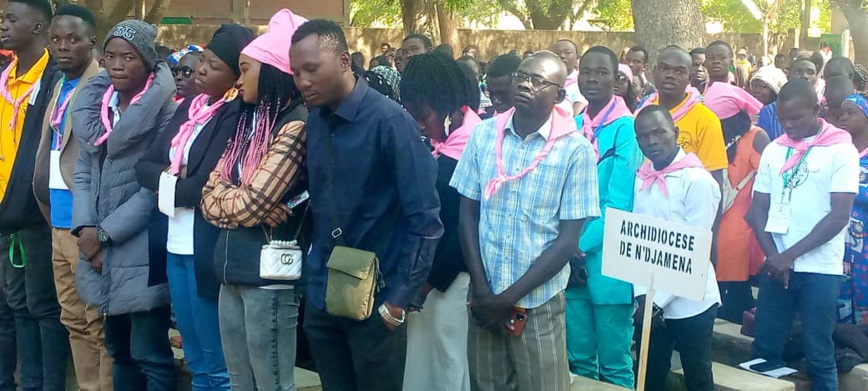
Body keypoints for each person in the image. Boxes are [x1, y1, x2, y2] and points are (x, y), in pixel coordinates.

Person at [290, 19, 443, 391]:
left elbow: (425, 219)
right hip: (325, 296)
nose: (302, 81)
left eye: (311, 69)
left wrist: (398, 302)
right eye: (296, 72)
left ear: (344, 61)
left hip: (377, 301)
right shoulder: (315, 122)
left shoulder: (391, 122)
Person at [451, 51, 599, 391]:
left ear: (559, 96)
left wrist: (508, 299)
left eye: (538, 80)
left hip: (537, 303)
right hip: (484, 298)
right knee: (486, 385)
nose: (525, 84)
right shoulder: (484, 135)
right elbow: (467, 215)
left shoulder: (574, 151)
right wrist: (484, 291)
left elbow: (567, 242)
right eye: (521, 75)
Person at [137, 23, 254, 391]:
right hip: (174, 243)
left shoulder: (236, 115)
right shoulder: (190, 106)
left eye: (215, 66)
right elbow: (145, 167)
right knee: (196, 358)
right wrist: (180, 179)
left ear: (237, 77)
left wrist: (171, 180)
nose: (201, 69)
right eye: (203, 59)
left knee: (218, 364)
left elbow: (206, 187)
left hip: (208, 248)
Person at [71, 19, 177, 390]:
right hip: (97, 249)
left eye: (128, 57)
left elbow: (152, 190)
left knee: (150, 353)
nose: (116, 65)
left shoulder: (168, 112)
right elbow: (82, 171)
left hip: (141, 247)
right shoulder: (99, 107)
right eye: (111, 56)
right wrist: (85, 229)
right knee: (117, 347)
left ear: (147, 62)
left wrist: (104, 234)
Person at [747, 79, 858, 391]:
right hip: (775, 266)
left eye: (796, 118)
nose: (789, 125)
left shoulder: (841, 150)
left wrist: (788, 256)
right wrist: (774, 257)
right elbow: (757, 212)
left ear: (817, 109)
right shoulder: (774, 149)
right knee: (764, 353)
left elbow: (838, 216)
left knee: (819, 353)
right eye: (783, 119)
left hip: (820, 269)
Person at [32, 5, 111, 391]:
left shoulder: (103, 86)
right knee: (72, 318)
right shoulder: (58, 84)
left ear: (92, 42)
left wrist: (93, 224)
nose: (63, 47)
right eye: (56, 40)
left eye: (73, 39)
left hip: (86, 224)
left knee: (97, 319)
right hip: (56, 221)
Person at [398, 51, 479, 391]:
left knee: (448, 362)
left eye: (423, 115)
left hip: (451, 280)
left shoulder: (476, 145)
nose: (418, 124)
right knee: (420, 362)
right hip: (422, 278)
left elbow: (465, 228)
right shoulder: (437, 145)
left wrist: (429, 282)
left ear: (447, 104)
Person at [0, 0, 67, 390]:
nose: (3, 25)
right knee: (11, 307)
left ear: (39, 27)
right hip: (4, 213)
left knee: (41, 307)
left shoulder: (54, 81)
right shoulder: (6, 78)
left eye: (12, 19)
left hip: (35, 213)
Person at [632, 105, 722, 391]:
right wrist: (642, 296)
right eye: (644, 136)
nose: (652, 141)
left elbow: (694, 250)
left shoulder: (697, 181)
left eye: (659, 132)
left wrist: (657, 301)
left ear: (676, 133)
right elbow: (638, 242)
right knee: (649, 373)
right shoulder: (641, 179)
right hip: (648, 298)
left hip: (690, 300)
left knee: (697, 375)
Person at [568, 46, 640, 389]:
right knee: (579, 360)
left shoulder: (627, 129)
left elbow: (619, 204)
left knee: (614, 365)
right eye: (586, 71)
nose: (592, 79)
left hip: (608, 260)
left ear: (617, 80)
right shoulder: (574, 125)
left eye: (602, 72)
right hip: (568, 261)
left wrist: (575, 246)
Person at [704, 80, 770, 324]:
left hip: (735, 221)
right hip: (732, 219)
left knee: (731, 283)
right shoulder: (754, 137)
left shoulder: (754, 137)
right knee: (732, 282)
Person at [639, 46, 728, 183]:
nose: (670, 75)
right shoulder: (641, 114)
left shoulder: (706, 120)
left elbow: (714, 179)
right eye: (664, 69)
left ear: (689, 78)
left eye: (679, 71)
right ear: (654, 72)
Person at [837, 92, 868, 325]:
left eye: (851, 112)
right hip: (839, 236)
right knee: (842, 285)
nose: (843, 117)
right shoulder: (838, 152)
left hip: (864, 239)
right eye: (841, 113)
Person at [552, 39, 587, 115]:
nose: (562, 56)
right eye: (557, 53)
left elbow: (576, 116)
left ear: (576, 58)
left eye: (567, 53)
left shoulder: (581, 83)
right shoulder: (543, 80)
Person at [752, 65, 788, 140]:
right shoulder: (750, 112)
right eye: (754, 86)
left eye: (763, 87)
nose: (756, 91)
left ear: (775, 90)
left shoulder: (780, 115)